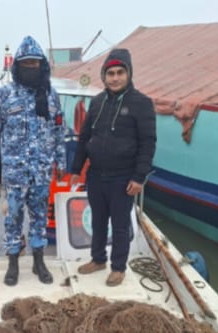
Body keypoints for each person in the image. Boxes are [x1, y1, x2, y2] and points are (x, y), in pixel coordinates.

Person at [70, 48, 157, 287]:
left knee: (119, 224)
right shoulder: (97, 102)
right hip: (96, 175)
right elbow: (85, 136)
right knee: (98, 220)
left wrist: (139, 177)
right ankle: (98, 259)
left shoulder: (142, 104)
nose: (115, 78)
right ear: (104, 76)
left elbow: (148, 144)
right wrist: (76, 169)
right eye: (110, 73)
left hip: (123, 177)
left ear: (128, 74)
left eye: (120, 72)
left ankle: (118, 267)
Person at [0, 36, 66, 287]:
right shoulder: (5, 94)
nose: (31, 67)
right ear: (17, 66)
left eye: (35, 63)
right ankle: (13, 262)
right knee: (13, 218)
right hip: (15, 173)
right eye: (26, 63)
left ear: (42, 66)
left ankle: (39, 261)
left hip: (41, 171)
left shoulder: (51, 95)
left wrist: (61, 163)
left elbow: (59, 130)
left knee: (40, 217)